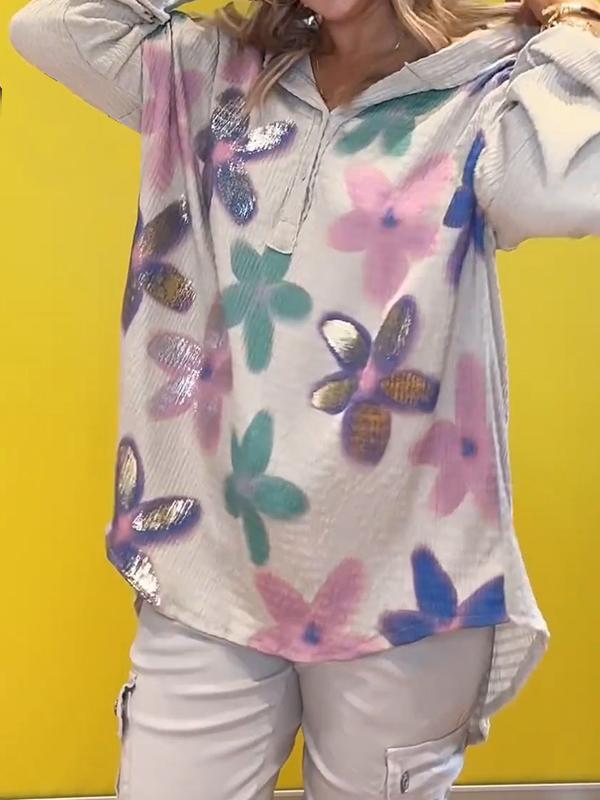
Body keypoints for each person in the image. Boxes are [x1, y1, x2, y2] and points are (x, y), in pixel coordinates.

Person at [9, 0, 600, 796]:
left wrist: (574, 26)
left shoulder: (481, 94)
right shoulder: (211, 75)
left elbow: (562, 190)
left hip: (402, 583)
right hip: (210, 566)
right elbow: (51, 28)